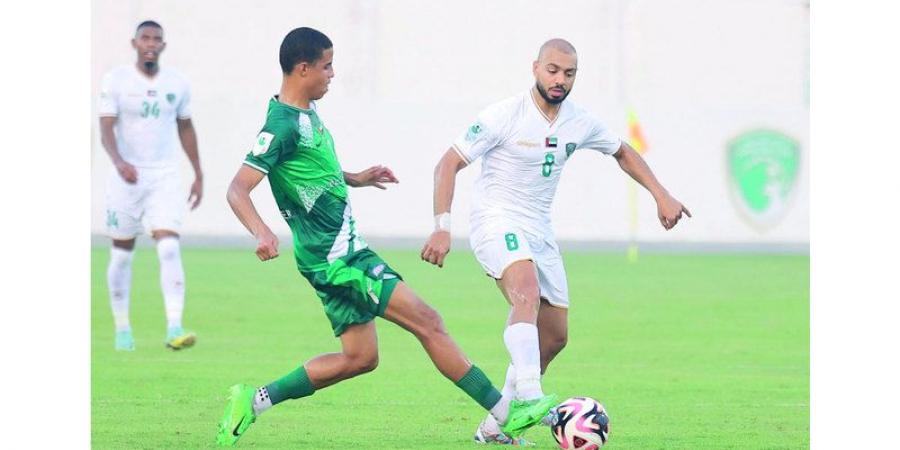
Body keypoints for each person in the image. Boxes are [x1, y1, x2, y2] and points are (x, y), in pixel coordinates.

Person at [216, 27, 556, 447]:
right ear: (303, 69)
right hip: (338, 260)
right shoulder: (282, 124)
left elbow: (308, 170)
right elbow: (237, 189)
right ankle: (508, 414)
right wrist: (262, 231)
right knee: (428, 322)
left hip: (332, 257)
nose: (333, 74)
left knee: (360, 358)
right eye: (327, 66)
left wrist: (355, 178)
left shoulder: (304, 114)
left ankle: (253, 401)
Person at [420, 38, 691, 444]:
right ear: (535, 68)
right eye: (552, 70)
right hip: (496, 220)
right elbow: (448, 162)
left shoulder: (578, 121)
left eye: (569, 73)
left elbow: (622, 151)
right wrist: (442, 224)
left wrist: (661, 193)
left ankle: (496, 427)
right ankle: (530, 394)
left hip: (539, 230)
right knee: (524, 294)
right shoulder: (505, 115)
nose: (560, 79)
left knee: (555, 335)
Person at [99, 20, 202, 351]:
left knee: (169, 246)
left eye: (157, 39)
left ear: (163, 46)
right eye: (145, 37)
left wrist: (198, 173)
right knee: (121, 254)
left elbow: (185, 128)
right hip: (125, 178)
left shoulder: (178, 83)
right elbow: (105, 128)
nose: (151, 43)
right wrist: (119, 163)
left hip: (164, 176)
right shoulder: (116, 81)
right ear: (134, 43)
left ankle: (174, 326)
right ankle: (122, 330)